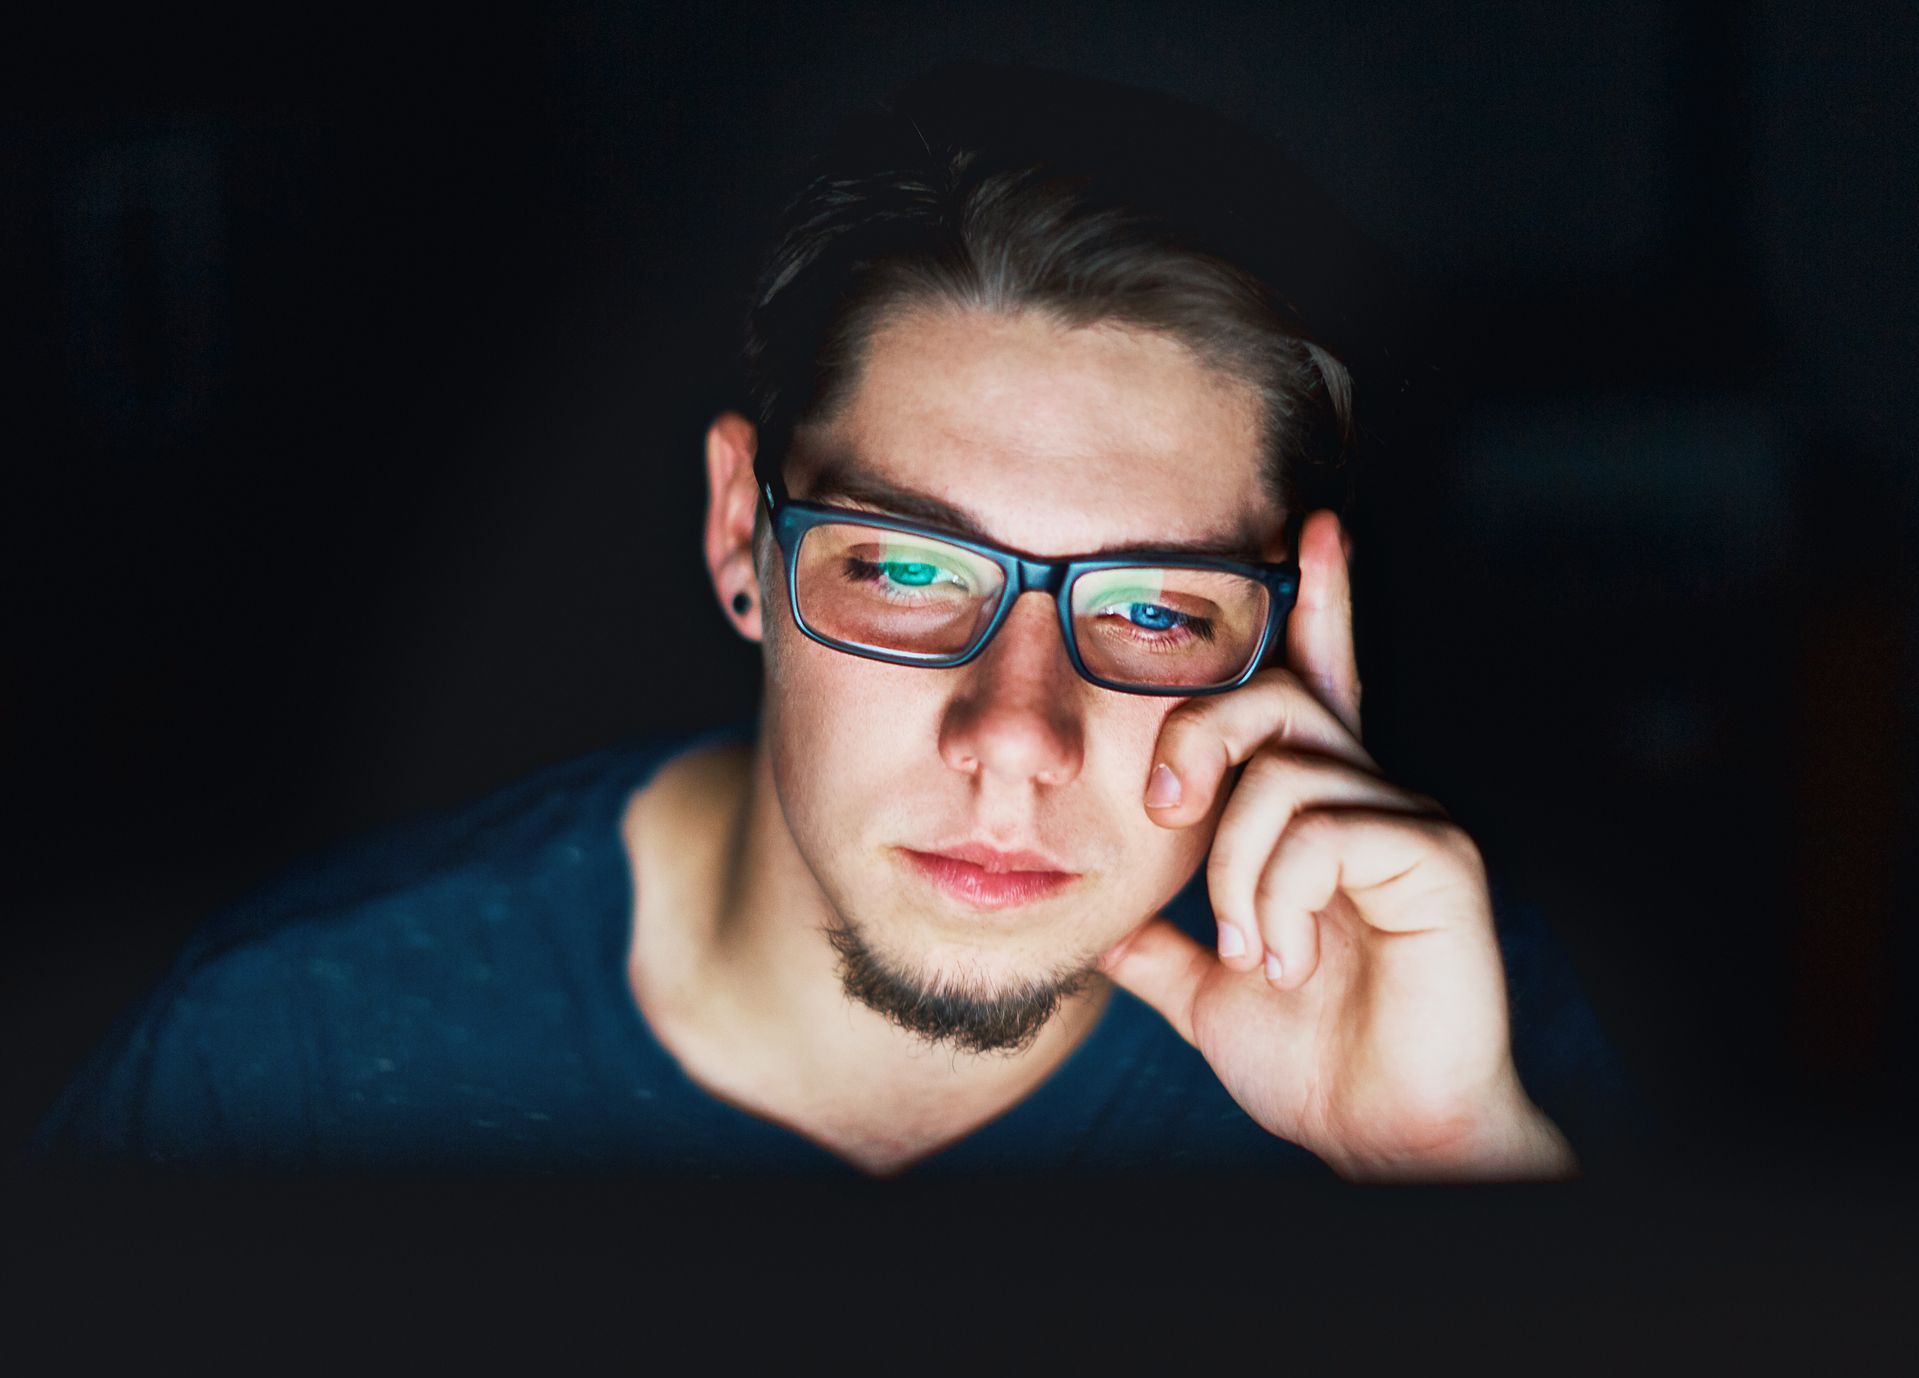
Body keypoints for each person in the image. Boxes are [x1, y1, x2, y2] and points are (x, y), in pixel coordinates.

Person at [24, 63, 1649, 1182]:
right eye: (907, 568)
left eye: (1155, 604)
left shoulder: (1444, 1036)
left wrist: (1458, 1175)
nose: (1015, 733)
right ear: (744, 535)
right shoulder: (289, 1062)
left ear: (1289, 636)